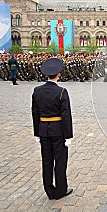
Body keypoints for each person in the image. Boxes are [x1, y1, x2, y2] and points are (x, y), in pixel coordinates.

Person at [32, 58, 74, 200]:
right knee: (60, 161)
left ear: (46, 75)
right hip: (58, 131)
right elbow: (66, 115)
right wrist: (68, 136)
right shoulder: (62, 91)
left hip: (44, 130)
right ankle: (61, 190)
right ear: (59, 75)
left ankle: (49, 190)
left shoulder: (37, 91)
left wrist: (37, 132)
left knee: (47, 161)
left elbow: (35, 113)